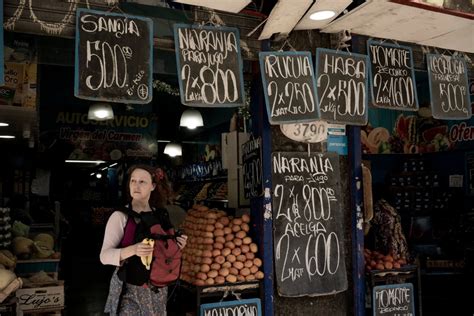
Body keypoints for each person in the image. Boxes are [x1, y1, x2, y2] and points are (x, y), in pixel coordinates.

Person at [100, 164, 187, 315]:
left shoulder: (161, 215)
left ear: (153, 186)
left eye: (142, 182)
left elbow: (166, 250)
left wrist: (178, 245)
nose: (136, 185)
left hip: (157, 288)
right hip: (129, 288)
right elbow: (104, 256)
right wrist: (133, 249)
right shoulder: (121, 216)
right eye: (133, 181)